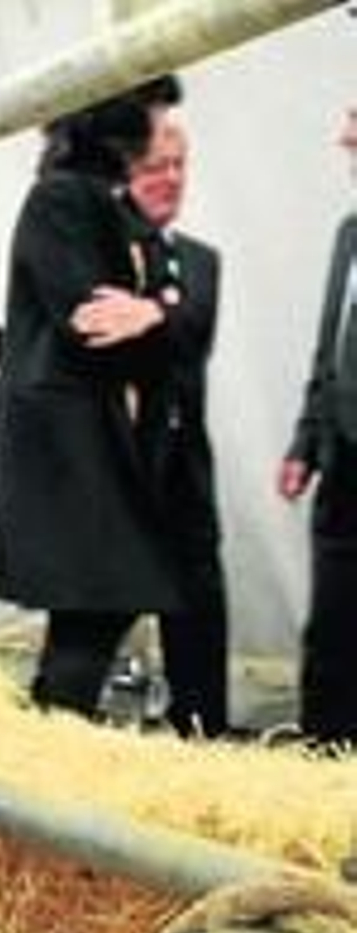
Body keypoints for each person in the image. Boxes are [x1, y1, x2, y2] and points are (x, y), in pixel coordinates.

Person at [0, 76, 189, 719]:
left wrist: (152, 316)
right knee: (101, 599)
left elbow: (124, 320)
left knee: (96, 607)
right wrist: (156, 322)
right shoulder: (64, 196)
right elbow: (91, 322)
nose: (161, 131)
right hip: (63, 440)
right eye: (155, 115)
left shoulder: (92, 199)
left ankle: (49, 734)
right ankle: (50, 735)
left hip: (78, 432)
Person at [125, 108, 229, 736]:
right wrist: (160, 314)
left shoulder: (202, 261)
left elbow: (192, 334)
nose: (169, 178)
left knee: (199, 608)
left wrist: (154, 314)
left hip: (185, 466)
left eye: (178, 165)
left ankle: (202, 730)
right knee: (95, 620)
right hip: (117, 466)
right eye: (153, 167)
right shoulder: (103, 249)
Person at [280, 106, 357, 743]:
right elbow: (328, 349)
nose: (344, 137)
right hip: (342, 460)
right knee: (331, 629)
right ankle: (322, 760)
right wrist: (305, 441)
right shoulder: (348, 232)